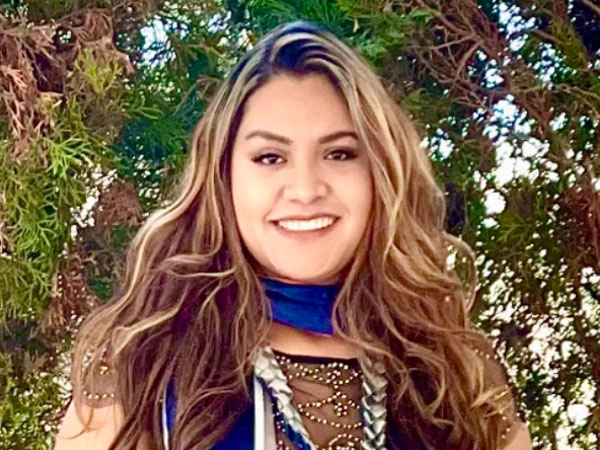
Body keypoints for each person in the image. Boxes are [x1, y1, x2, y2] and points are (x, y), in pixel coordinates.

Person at [54, 20, 533, 450]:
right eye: (270, 158)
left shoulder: (453, 369)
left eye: (340, 154)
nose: (305, 190)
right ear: (224, 178)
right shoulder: (143, 354)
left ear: (381, 174)